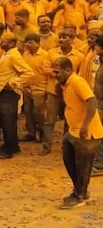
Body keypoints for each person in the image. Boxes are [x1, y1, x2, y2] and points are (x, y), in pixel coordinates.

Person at [54, 56, 103, 209]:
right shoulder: (65, 84)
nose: (55, 74)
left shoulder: (77, 81)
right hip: (74, 131)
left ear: (68, 70)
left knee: (83, 165)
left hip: (87, 132)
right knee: (69, 158)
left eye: (58, 71)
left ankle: (79, 195)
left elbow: (92, 101)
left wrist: (85, 125)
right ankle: (80, 191)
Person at [0, 32, 34, 159]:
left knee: (7, 121)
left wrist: (12, 83)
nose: (1, 43)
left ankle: (8, 149)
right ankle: (14, 145)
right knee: (8, 121)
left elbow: (28, 72)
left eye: (3, 41)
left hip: (9, 93)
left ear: (11, 43)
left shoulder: (14, 55)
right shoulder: (7, 54)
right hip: (3, 92)